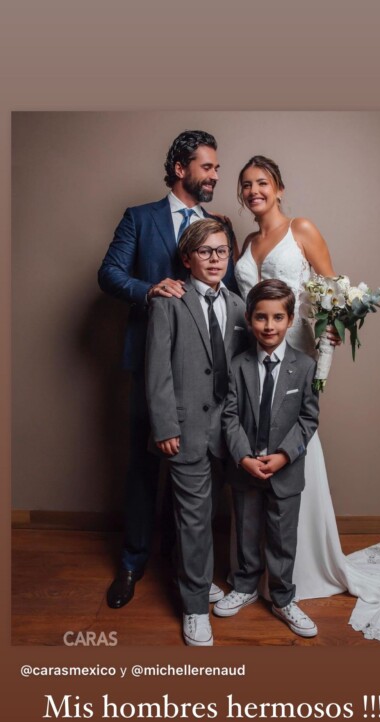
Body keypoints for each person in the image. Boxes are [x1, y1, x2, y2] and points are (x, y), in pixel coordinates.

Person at [232, 155, 380, 646]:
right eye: (246, 185)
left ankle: (299, 573)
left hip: (296, 361)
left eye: (263, 182)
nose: (254, 191)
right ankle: (251, 575)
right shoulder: (245, 244)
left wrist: (329, 338)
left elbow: (333, 293)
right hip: (251, 362)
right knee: (252, 463)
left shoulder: (301, 229)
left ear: (279, 187)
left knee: (294, 456)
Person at [98, 130, 237, 610]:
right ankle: (132, 563)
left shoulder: (217, 226)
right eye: (207, 167)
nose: (215, 175)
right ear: (181, 169)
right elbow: (109, 274)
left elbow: (232, 294)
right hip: (152, 364)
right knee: (144, 466)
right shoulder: (140, 218)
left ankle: (182, 564)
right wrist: (150, 289)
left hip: (206, 372)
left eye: (216, 168)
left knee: (201, 466)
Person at [146, 219, 249, 645]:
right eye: (205, 251)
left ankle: (198, 577)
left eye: (222, 251)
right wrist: (165, 425)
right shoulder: (169, 302)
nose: (215, 259)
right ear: (187, 258)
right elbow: (158, 369)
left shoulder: (239, 306)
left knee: (207, 515)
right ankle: (193, 607)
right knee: (192, 520)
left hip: (226, 432)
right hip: (184, 429)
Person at [216, 280, 319, 637]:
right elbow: (229, 416)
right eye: (261, 317)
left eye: (278, 317)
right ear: (249, 319)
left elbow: (308, 419)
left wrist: (283, 456)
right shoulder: (237, 365)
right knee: (245, 531)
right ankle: (244, 586)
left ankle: (282, 597)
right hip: (245, 467)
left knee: (282, 538)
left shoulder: (305, 366)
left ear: (290, 320)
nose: (269, 326)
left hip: (285, 470)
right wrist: (243, 457)